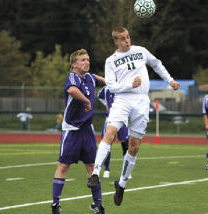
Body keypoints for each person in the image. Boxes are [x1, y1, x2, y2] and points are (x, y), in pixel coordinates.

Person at [87, 27, 179, 206]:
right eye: (122, 39)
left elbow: (157, 64)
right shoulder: (111, 60)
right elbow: (111, 87)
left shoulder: (141, 51)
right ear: (116, 41)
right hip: (122, 101)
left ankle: (121, 184)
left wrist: (170, 80)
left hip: (142, 102)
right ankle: (95, 174)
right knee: (110, 133)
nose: (127, 41)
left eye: (128, 37)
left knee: (134, 147)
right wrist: (130, 84)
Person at [51, 49, 105, 214]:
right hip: (72, 129)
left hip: (87, 130)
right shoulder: (73, 77)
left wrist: (123, 84)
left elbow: (104, 80)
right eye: (82, 60)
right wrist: (87, 100)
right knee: (64, 165)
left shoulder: (90, 77)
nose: (86, 62)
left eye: (88, 59)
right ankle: (55, 204)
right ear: (74, 64)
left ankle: (98, 204)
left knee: (91, 167)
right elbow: (72, 90)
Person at [97, 86, 130, 179]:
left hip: (123, 119)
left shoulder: (125, 85)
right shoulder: (106, 88)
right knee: (107, 144)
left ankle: (126, 170)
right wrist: (107, 105)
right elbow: (100, 96)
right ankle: (106, 169)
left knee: (125, 144)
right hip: (110, 119)